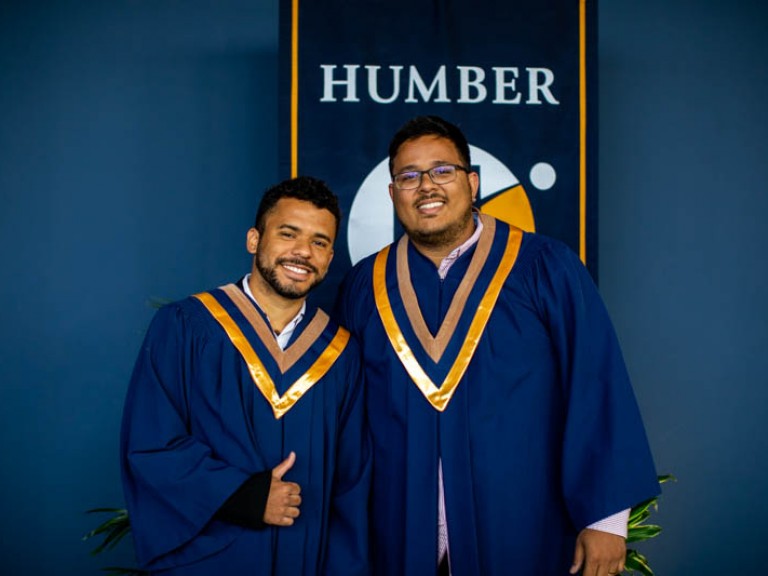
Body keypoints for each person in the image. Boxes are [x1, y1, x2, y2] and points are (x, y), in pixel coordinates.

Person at [334, 116, 659, 576]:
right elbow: (343, 413)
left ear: (472, 182)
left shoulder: (546, 266)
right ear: (392, 194)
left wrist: (605, 521)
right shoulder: (364, 286)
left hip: (523, 525)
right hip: (396, 532)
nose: (426, 186)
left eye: (442, 171)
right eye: (408, 176)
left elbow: (594, 381)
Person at [121, 176, 370, 575]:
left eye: (320, 242)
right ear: (254, 240)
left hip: (303, 561)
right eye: (288, 234)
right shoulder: (186, 326)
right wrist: (244, 496)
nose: (303, 251)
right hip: (208, 561)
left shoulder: (341, 353)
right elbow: (151, 445)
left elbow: (351, 487)